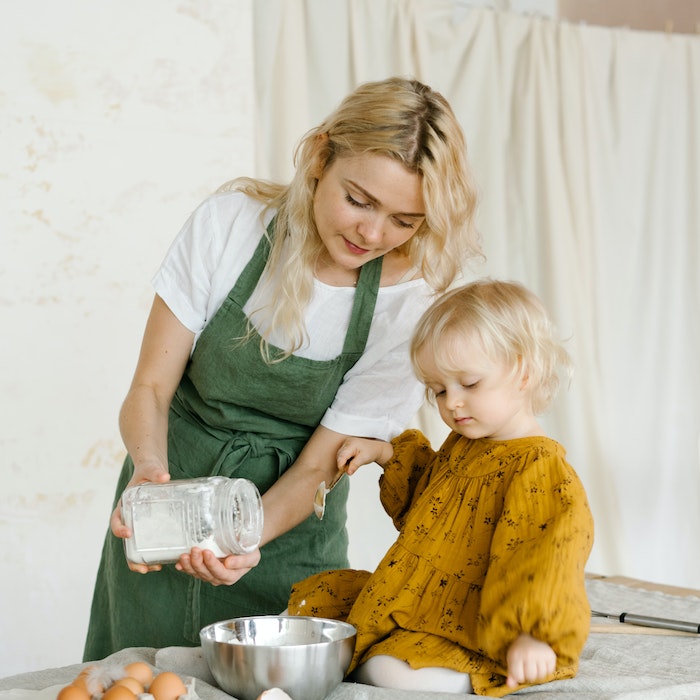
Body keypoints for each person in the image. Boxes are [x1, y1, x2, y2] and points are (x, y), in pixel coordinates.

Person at [83, 76, 482, 660]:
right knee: (135, 681)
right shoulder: (230, 227)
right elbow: (149, 387)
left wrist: (244, 540)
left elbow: (320, 464)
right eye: (359, 200)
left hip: (290, 531)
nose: (372, 234)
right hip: (171, 500)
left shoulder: (412, 304)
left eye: (405, 221)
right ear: (320, 155)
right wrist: (149, 472)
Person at [287, 279, 594, 697]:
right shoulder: (466, 444)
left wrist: (531, 634)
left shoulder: (539, 469)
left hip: (478, 621)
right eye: (439, 391)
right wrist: (383, 454)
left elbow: (547, 560)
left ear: (523, 371)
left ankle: (494, 664)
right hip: (425, 598)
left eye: (469, 384)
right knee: (312, 609)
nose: (452, 403)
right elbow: (427, 512)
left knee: (390, 671)